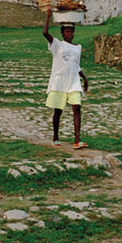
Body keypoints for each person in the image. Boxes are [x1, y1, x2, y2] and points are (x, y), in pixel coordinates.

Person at [43, 9, 89, 149]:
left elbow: (76, 65)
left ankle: (77, 139)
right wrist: (48, 17)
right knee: (58, 111)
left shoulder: (78, 48)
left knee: (77, 107)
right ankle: (55, 137)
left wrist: (84, 79)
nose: (70, 34)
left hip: (73, 81)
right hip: (60, 82)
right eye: (67, 31)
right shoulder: (57, 45)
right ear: (62, 33)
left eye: (71, 31)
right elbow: (45, 33)